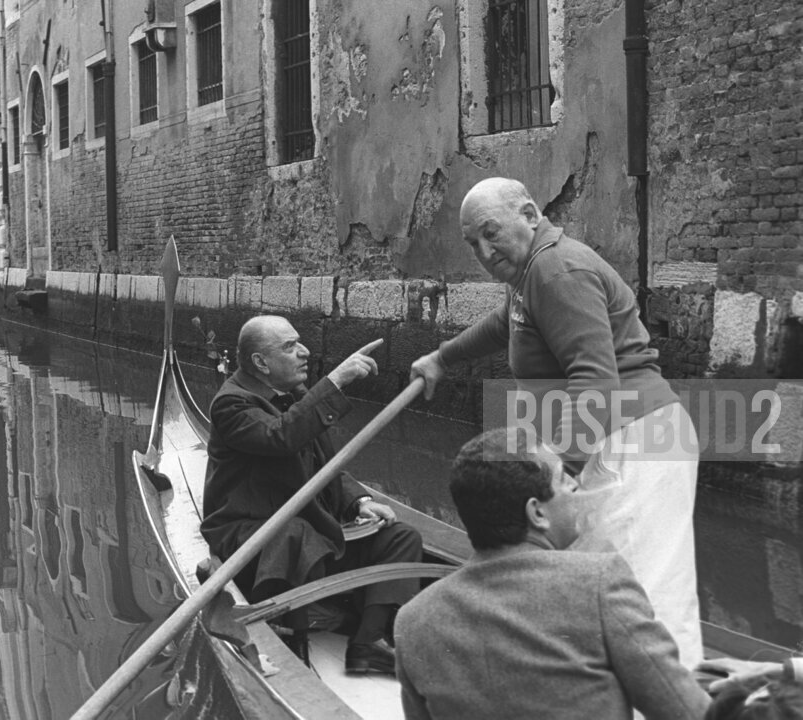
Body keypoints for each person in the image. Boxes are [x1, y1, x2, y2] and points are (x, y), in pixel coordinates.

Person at [409, 177, 703, 668]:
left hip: (634, 442)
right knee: (601, 584)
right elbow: (506, 323)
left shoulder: (556, 270)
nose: (483, 251)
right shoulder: (531, 273)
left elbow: (593, 376)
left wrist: (558, 470)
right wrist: (442, 357)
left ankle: (667, 696)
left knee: (642, 592)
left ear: (528, 214)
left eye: (491, 233)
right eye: (472, 243)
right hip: (613, 438)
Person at [394, 427, 711, 720]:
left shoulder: (412, 621)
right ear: (537, 513)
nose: (574, 484)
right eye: (562, 479)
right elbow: (684, 711)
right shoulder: (599, 581)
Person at [201, 315, 423, 674]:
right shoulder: (231, 405)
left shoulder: (294, 394)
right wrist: (334, 382)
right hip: (250, 532)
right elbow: (281, 437)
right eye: (290, 347)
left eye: (299, 342)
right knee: (294, 536)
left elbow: (326, 463)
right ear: (260, 363)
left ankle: (367, 643)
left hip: (306, 522)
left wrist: (358, 501)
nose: (304, 352)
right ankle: (295, 629)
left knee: (400, 538)